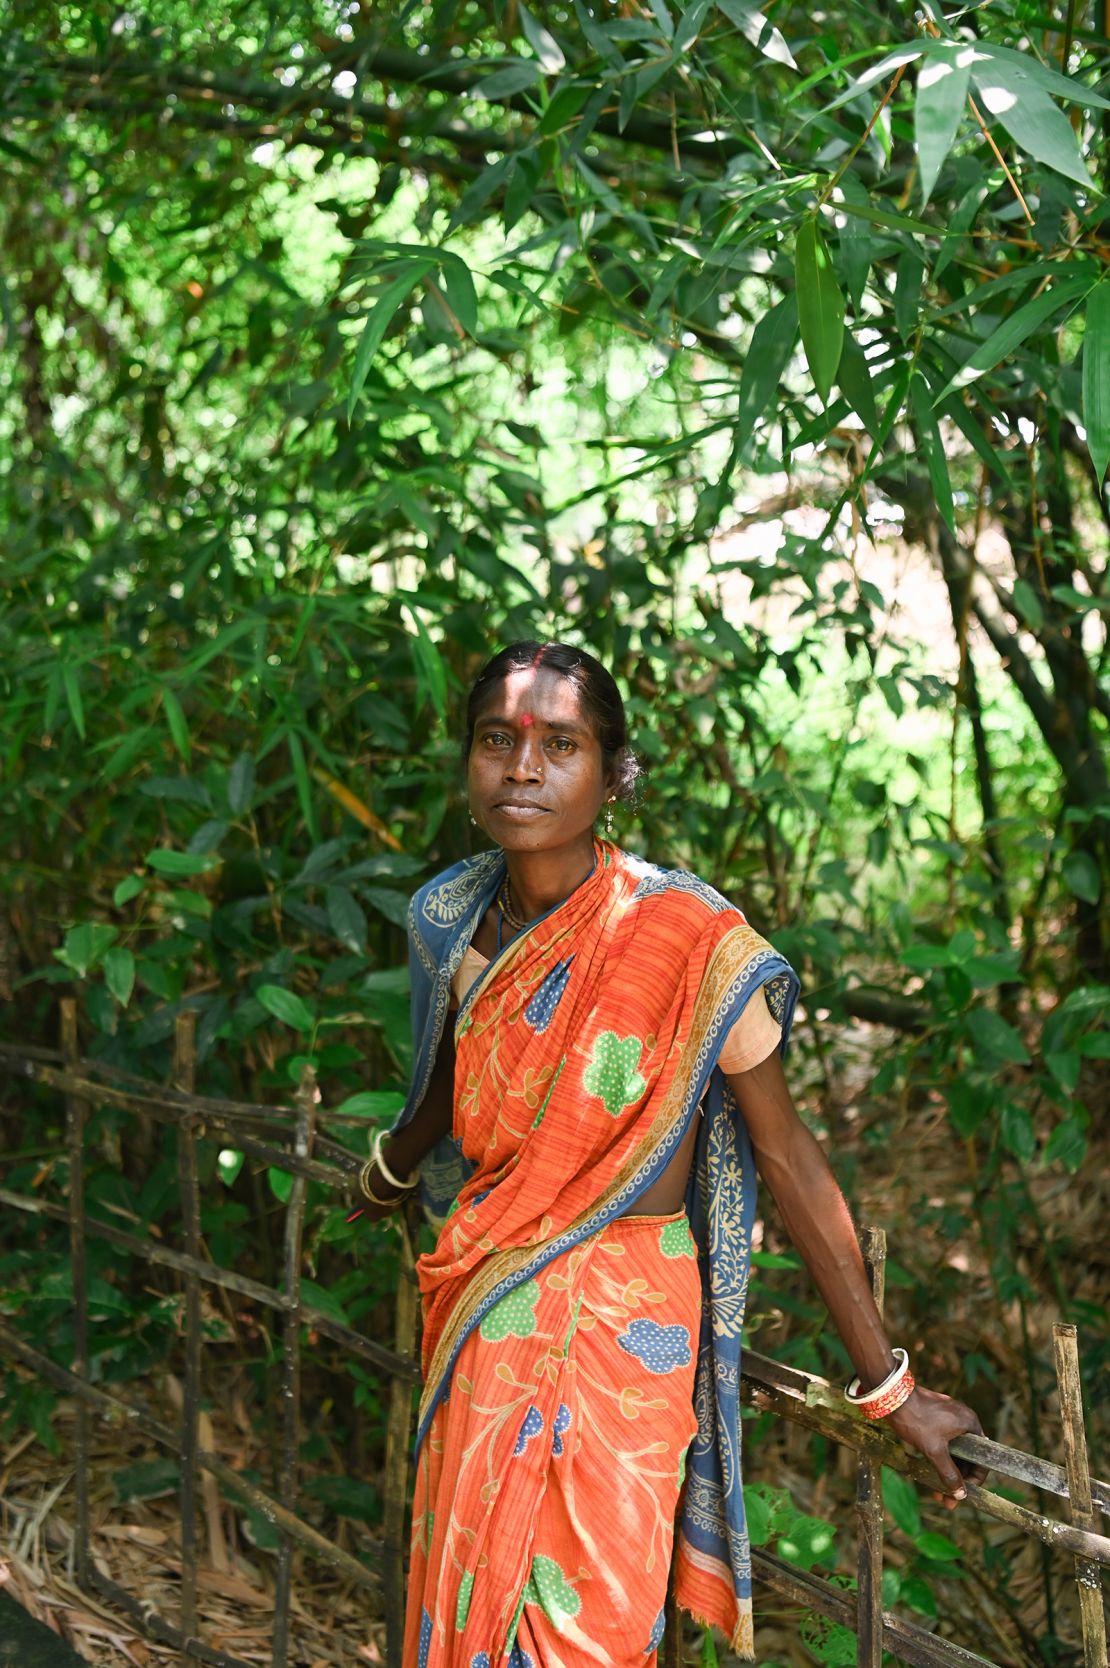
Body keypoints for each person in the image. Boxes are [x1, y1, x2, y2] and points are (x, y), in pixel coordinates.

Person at [357, 641, 984, 1668]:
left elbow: (786, 1156)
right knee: (473, 1597)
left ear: (614, 774)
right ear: (467, 762)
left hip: (626, 1322)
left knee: (594, 1626)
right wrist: (390, 1168)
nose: (524, 769)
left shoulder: (687, 936)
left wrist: (890, 1387)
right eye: (497, 741)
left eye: (560, 745)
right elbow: (446, 1077)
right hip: (488, 1299)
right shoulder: (447, 919)